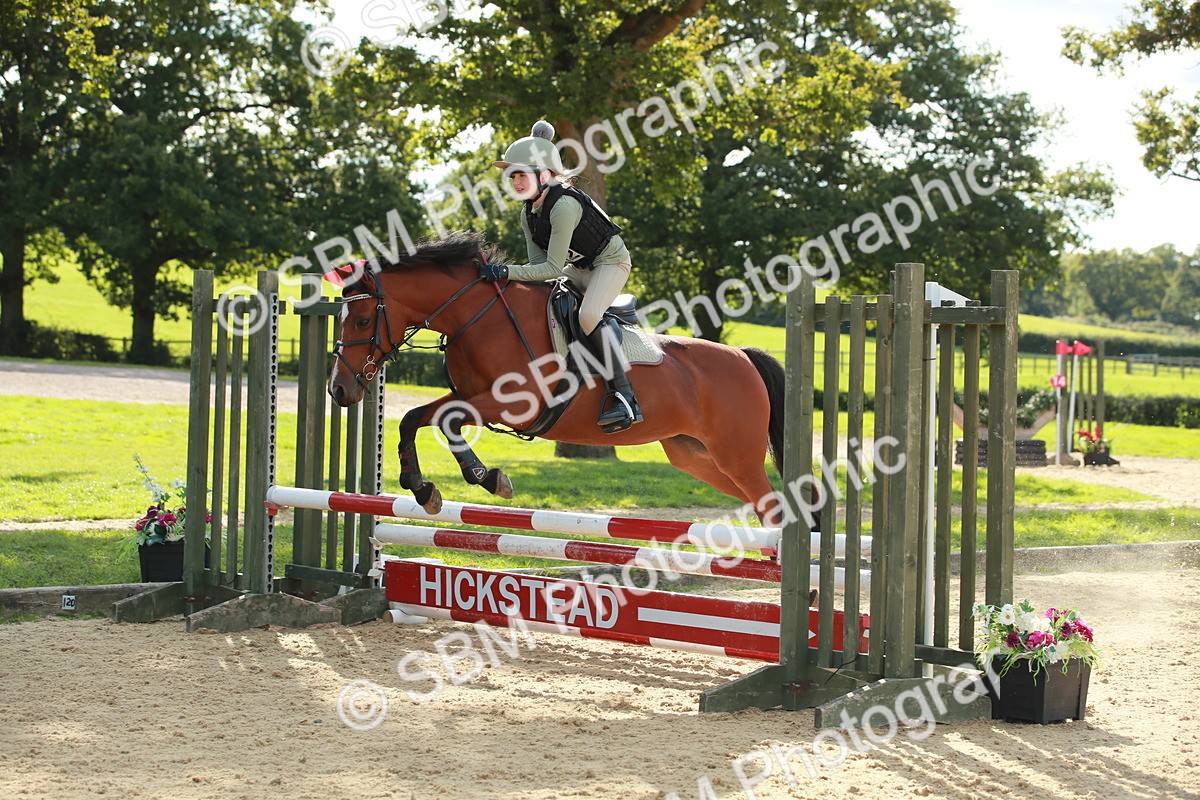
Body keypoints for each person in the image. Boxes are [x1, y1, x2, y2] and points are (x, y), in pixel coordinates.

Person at [482, 121, 642, 433]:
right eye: (512, 176)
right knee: (544, 302)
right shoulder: (528, 213)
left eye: (522, 174)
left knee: (588, 315)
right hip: (578, 269)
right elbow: (537, 267)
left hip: (610, 264)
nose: (515, 181)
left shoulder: (564, 205)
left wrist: (504, 271)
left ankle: (625, 397)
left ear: (544, 176)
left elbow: (552, 270)